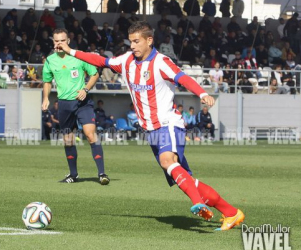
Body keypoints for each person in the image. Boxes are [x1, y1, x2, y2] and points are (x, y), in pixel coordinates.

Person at [56, 21, 244, 230]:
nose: (133, 46)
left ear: (149, 40)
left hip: (168, 123)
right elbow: (99, 60)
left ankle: (197, 203)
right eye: (131, 42)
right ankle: (231, 212)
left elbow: (182, 78)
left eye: (137, 42)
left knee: (167, 161)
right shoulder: (126, 61)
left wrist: (202, 94)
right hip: (152, 131)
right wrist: (71, 51)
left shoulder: (161, 62)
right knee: (184, 179)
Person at [41, 28, 110, 185]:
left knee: (90, 134)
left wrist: (85, 89)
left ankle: (102, 173)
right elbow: (46, 81)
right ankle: (73, 174)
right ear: (53, 42)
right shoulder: (50, 60)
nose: (59, 43)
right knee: (68, 139)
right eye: (56, 41)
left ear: (68, 41)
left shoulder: (78, 56)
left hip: (82, 102)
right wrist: (46, 98)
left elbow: (95, 74)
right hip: (64, 104)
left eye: (62, 40)